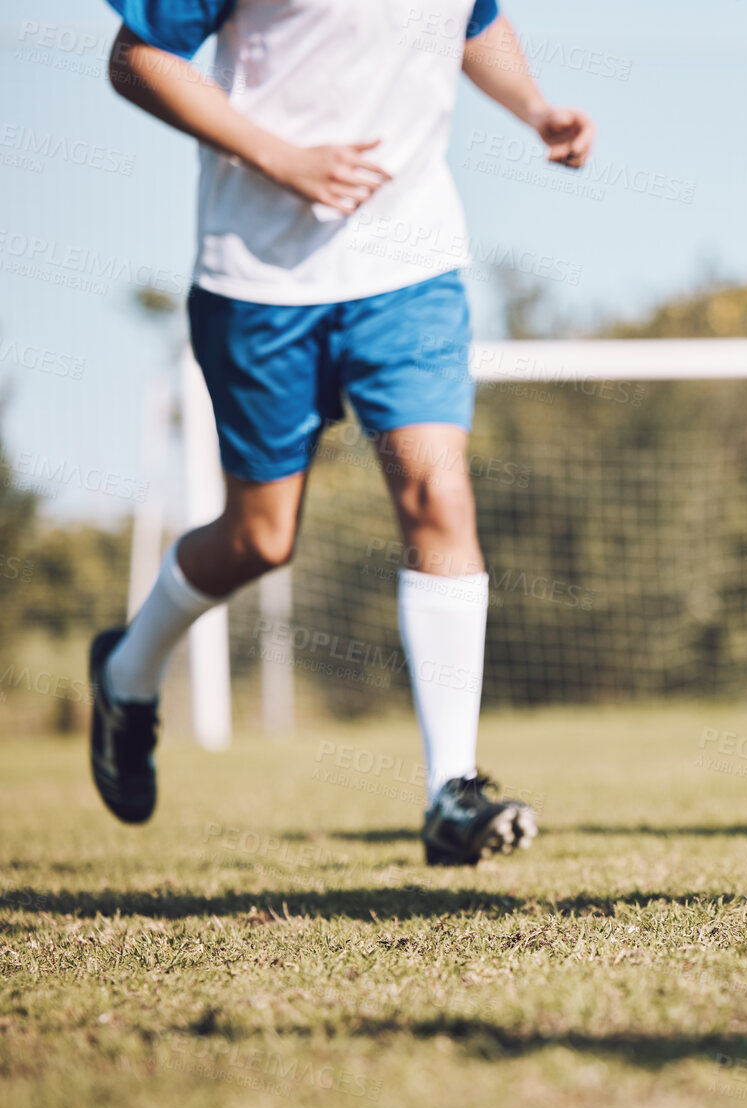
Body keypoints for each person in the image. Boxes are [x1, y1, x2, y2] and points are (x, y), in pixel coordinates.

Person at [88, 0, 596, 866]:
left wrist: (535, 107)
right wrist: (280, 157)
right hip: (258, 277)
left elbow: (472, 22)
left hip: (410, 267)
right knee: (260, 538)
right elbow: (136, 59)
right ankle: (127, 675)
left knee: (438, 490)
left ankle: (452, 791)